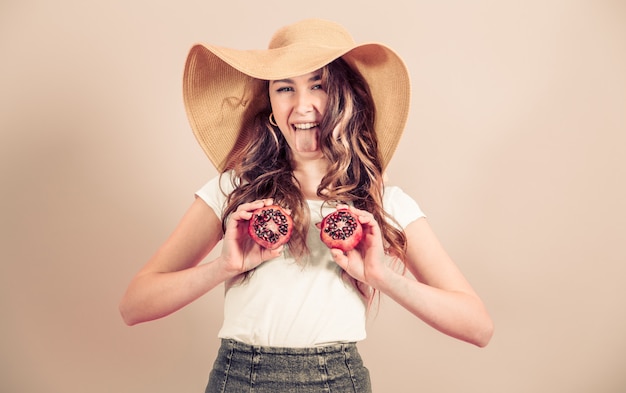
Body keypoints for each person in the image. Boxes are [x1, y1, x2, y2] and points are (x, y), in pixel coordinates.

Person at [119, 18, 494, 392]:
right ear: (271, 104)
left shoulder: (380, 202)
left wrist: (383, 278)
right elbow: (134, 305)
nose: (302, 105)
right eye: (285, 88)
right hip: (237, 379)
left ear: (347, 97)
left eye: (319, 85)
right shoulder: (234, 191)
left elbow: (477, 326)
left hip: (337, 381)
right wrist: (224, 267)